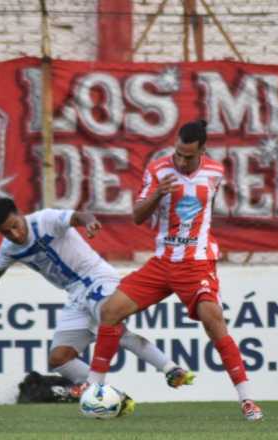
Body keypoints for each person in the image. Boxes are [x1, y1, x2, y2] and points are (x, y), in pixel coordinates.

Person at [0, 198, 194, 414]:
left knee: (111, 324)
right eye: (6, 232)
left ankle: (171, 369)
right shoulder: (9, 248)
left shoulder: (45, 219)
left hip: (97, 277)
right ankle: (113, 398)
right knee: (59, 358)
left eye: (15, 226)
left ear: (20, 214)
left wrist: (89, 222)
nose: (14, 234)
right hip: (75, 294)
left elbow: (79, 215)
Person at [82, 120, 263, 421]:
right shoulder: (158, 170)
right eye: (178, 153)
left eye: (188, 156)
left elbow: (202, 215)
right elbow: (137, 216)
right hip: (162, 262)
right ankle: (93, 385)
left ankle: (247, 399)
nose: (181, 160)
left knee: (213, 320)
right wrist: (157, 194)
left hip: (196, 263)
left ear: (202, 151)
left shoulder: (215, 173)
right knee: (110, 310)